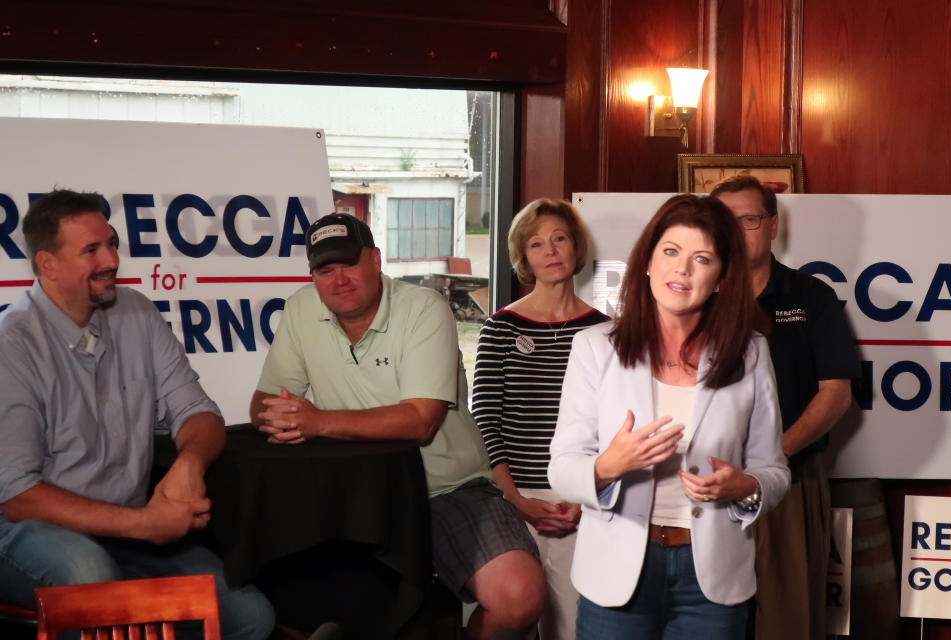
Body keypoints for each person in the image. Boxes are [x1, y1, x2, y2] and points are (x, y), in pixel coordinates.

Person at [250, 213, 545, 640]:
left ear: (376, 258)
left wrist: (316, 421)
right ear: (312, 275)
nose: (339, 279)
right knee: (286, 600)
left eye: (349, 264)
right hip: (352, 495)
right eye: (325, 270)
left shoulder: (424, 307)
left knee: (520, 597)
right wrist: (276, 415)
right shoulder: (300, 308)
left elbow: (421, 422)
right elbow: (264, 401)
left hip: (445, 487)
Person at [0, 189, 274, 640]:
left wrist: (190, 463)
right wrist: (145, 524)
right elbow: (17, 494)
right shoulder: (14, 343)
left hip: (126, 528)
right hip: (28, 532)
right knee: (90, 574)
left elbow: (200, 414)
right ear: (47, 264)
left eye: (112, 243)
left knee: (250, 616)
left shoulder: (138, 313)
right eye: (91, 250)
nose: (111, 259)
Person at [548, 194, 790, 640]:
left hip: (711, 582)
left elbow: (774, 471)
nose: (682, 270)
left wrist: (745, 487)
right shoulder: (595, 347)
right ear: (647, 262)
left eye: (702, 259)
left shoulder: (751, 352)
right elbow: (562, 466)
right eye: (671, 252)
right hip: (617, 577)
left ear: (720, 279)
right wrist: (608, 466)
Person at [711, 175, 859, 640]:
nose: (736, 230)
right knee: (705, 619)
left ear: (772, 226)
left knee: (786, 621)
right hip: (705, 484)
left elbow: (836, 393)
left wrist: (770, 459)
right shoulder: (694, 297)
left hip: (789, 482)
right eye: (723, 221)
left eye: (749, 219)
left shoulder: (810, 297)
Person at [472, 198, 607, 640]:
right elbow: (486, 421)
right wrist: (515, 498)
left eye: (559, 238)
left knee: (573, 627)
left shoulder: (608, 332)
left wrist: (587, 499)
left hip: (582, 501)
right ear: (524, 257)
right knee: (516, 619)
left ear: (576, 247)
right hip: (514, 499)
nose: (550, 250)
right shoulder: (501, 328)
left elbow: (611, 427)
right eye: (536, 243)